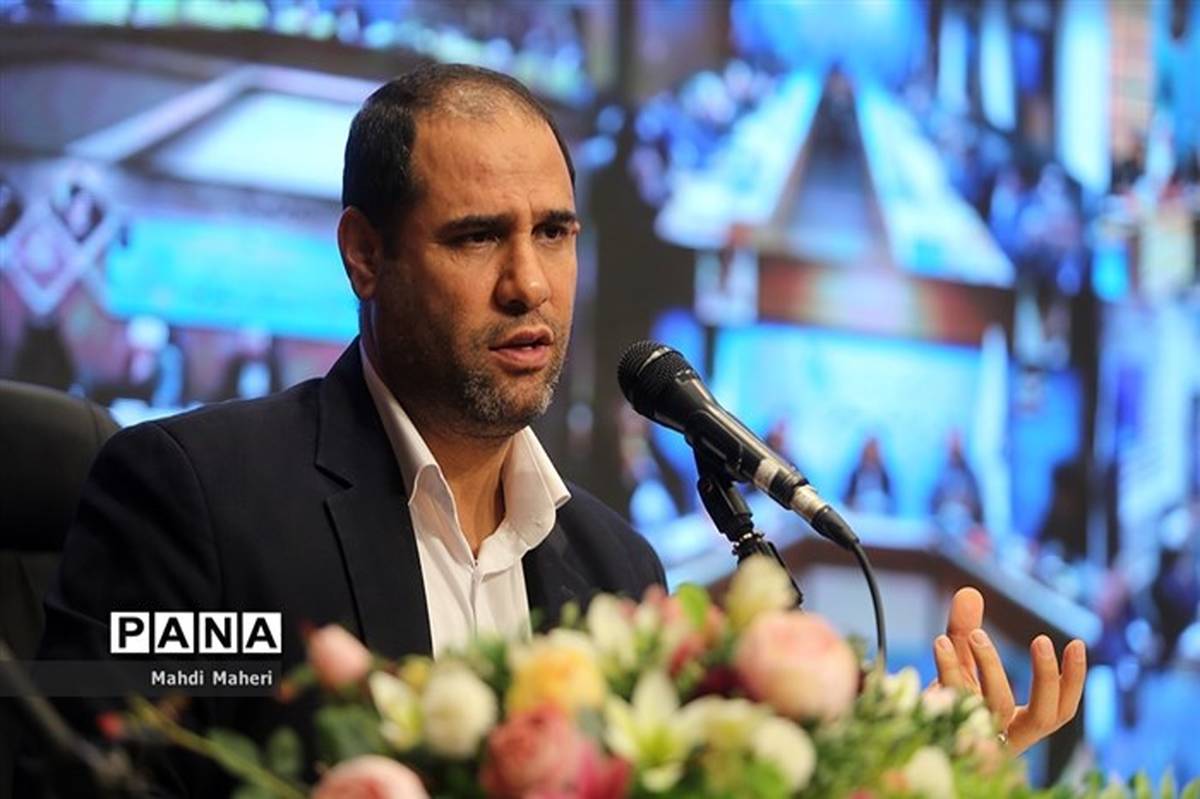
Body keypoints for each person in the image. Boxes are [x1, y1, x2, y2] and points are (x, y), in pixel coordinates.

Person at [36, 63, 1082, 794]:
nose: (528, 283)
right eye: (476, 237)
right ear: (365, 256)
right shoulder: (196, 495)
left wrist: (922, 771)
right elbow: (86, 774)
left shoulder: (617, 570)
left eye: (554, 232)